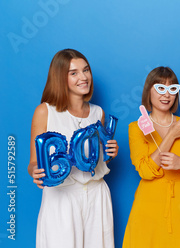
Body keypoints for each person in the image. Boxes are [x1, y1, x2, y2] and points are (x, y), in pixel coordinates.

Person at [28, 48, 119, 248]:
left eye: (86, 70)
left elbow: (96, 160)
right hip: (62, 196)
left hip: (97, 196)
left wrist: (110, 153)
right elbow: (33, 162)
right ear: (60, 77)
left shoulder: (98, 113)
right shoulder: (45, 112)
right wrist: (35, 171)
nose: (83, 77)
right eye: (74, 73)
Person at [123, 66, 180, 248]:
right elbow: (145, 171)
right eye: (160, 88)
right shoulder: (136, 128)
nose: (166, 94)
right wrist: (171, 136)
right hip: (148, 207)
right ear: (148, 91)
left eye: (172, 89)